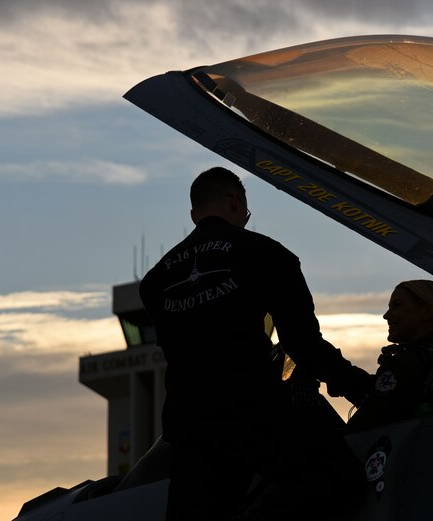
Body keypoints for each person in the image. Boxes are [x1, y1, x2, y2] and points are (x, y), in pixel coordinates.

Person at [139, 167, 369, 520]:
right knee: (343, 479)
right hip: (251, 412)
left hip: (189, 428)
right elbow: (303, 344)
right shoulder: (267, 254)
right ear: (235, 201)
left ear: (194, 214)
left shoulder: (155, 281)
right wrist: (359, 386)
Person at [347, 280, 433, 432]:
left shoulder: (406, 363)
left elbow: (365, 426)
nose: (386, 315)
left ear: (427, 311)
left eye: (396, 305)